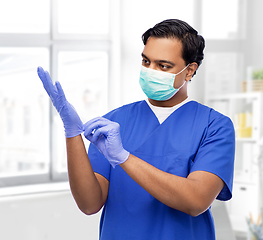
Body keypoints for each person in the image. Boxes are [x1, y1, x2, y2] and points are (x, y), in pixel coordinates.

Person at [37, 19, 235, 240]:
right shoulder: (115, 121)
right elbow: (89, 204)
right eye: (146, 61)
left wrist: (123, 157)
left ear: (189, 71)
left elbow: (196, 201)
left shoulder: (214, 126)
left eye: (163, 66)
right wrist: (72, 133)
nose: (151, 71)